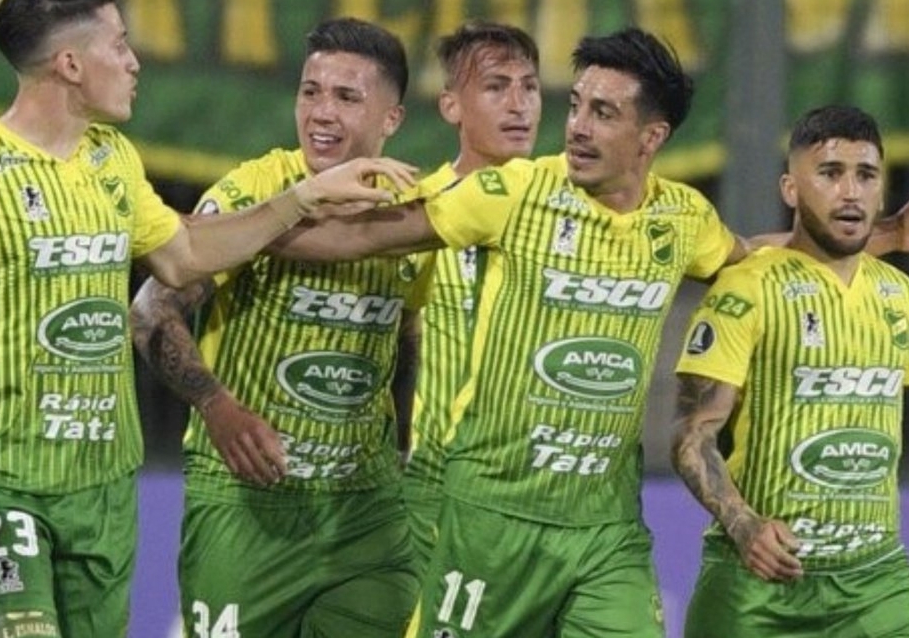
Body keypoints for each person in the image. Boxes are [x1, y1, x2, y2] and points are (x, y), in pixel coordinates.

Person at [0, 2, 413, 637]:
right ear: (71, 64)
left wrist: (303, 197)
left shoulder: (113, 159)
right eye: (119, 45)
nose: (134, 62)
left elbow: (185, 253)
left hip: (104, 488)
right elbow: (158, 307)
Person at [271, 27, 752, 636]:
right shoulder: (516, 190)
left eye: (602, 113)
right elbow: (363, 238)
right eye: (575, 105)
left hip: (607, 532)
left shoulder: (683, 218)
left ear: (651, 137)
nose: (576, 127)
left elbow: (751, 259)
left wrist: (856, 243)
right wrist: (235, 234)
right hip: (488, 515)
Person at [130, 17, 428, 638]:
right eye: (310, 91)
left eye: (346, 97)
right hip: (243, 507)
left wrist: (407, 447)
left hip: (365, 516)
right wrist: (218, 408)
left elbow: (410, 335)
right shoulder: (254, 191)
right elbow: (151, 312)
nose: (321, 112)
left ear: (392, 119)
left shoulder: (415, 213)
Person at [672, 105, 909, 637]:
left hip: (877, 586)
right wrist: (744, 525)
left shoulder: (899, 296)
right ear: (790, 189)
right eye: (830, 173)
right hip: (755, 589)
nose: (850, 192)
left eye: (866, 175)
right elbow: (691, 435)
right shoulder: (747, 288)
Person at [402, 19, 543, 579]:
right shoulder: (416, 212)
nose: (518, 105)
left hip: (549, 496)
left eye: (529, 86)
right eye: (495, 87)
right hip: (440, 487)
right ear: (450, 107)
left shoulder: (570, 207)